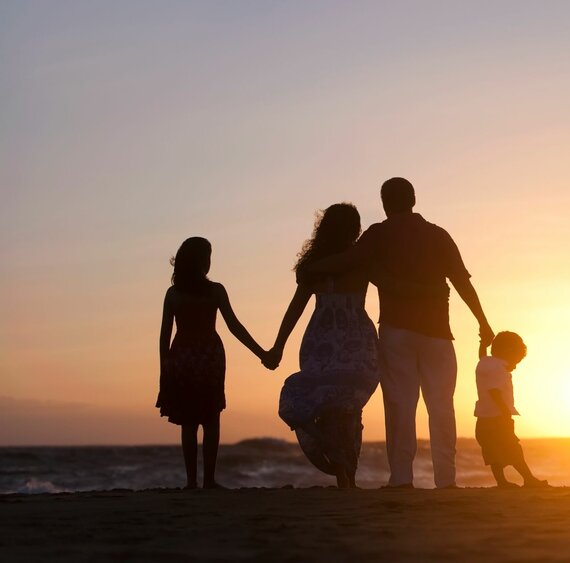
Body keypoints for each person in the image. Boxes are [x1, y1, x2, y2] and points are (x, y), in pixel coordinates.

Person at [307, 177, 494, 489]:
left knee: (400, 404)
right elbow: (462, 282)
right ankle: (446, 480)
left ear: (384, 202)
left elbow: (347, 261)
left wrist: (311, 268)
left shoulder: (379, 234)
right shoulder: (438, 235)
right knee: (441, 405)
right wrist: (483, 323)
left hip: (397, 332)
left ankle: (402, 479)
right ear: (414, 199)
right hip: (438, 333)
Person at [263, 203, 381, 488]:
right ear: (355, 228)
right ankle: (346, 473)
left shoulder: (313, 267)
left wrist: (278, 346)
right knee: (349, 406)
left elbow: (295, 309)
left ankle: (338, 461)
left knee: (329, 404)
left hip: (321, 341)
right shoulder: (360, 259)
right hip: (356, 340)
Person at [157, 237, 267, 489]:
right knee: (211, 418)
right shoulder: (215, 291)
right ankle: (209, 481)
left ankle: (191, 482)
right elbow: (235, 327)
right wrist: (261, 353)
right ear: (200, 261)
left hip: (183, 357)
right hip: (209, 357)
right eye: (207, 257)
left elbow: (164, 338)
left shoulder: (174, 294)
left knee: (189, 422)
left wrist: (164, 371)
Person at [474, 331, 548, 488]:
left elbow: (482, 356)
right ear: (508, 352)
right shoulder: (499, 369)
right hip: (498, 419)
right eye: (516, 361)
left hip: (482, 421)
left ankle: (501, 482)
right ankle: (528, 479)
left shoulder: (485, 362)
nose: (514, 367)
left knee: (493, 453)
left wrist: (483, 344)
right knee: (514, 449)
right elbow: (494, 391)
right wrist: (505, 412)